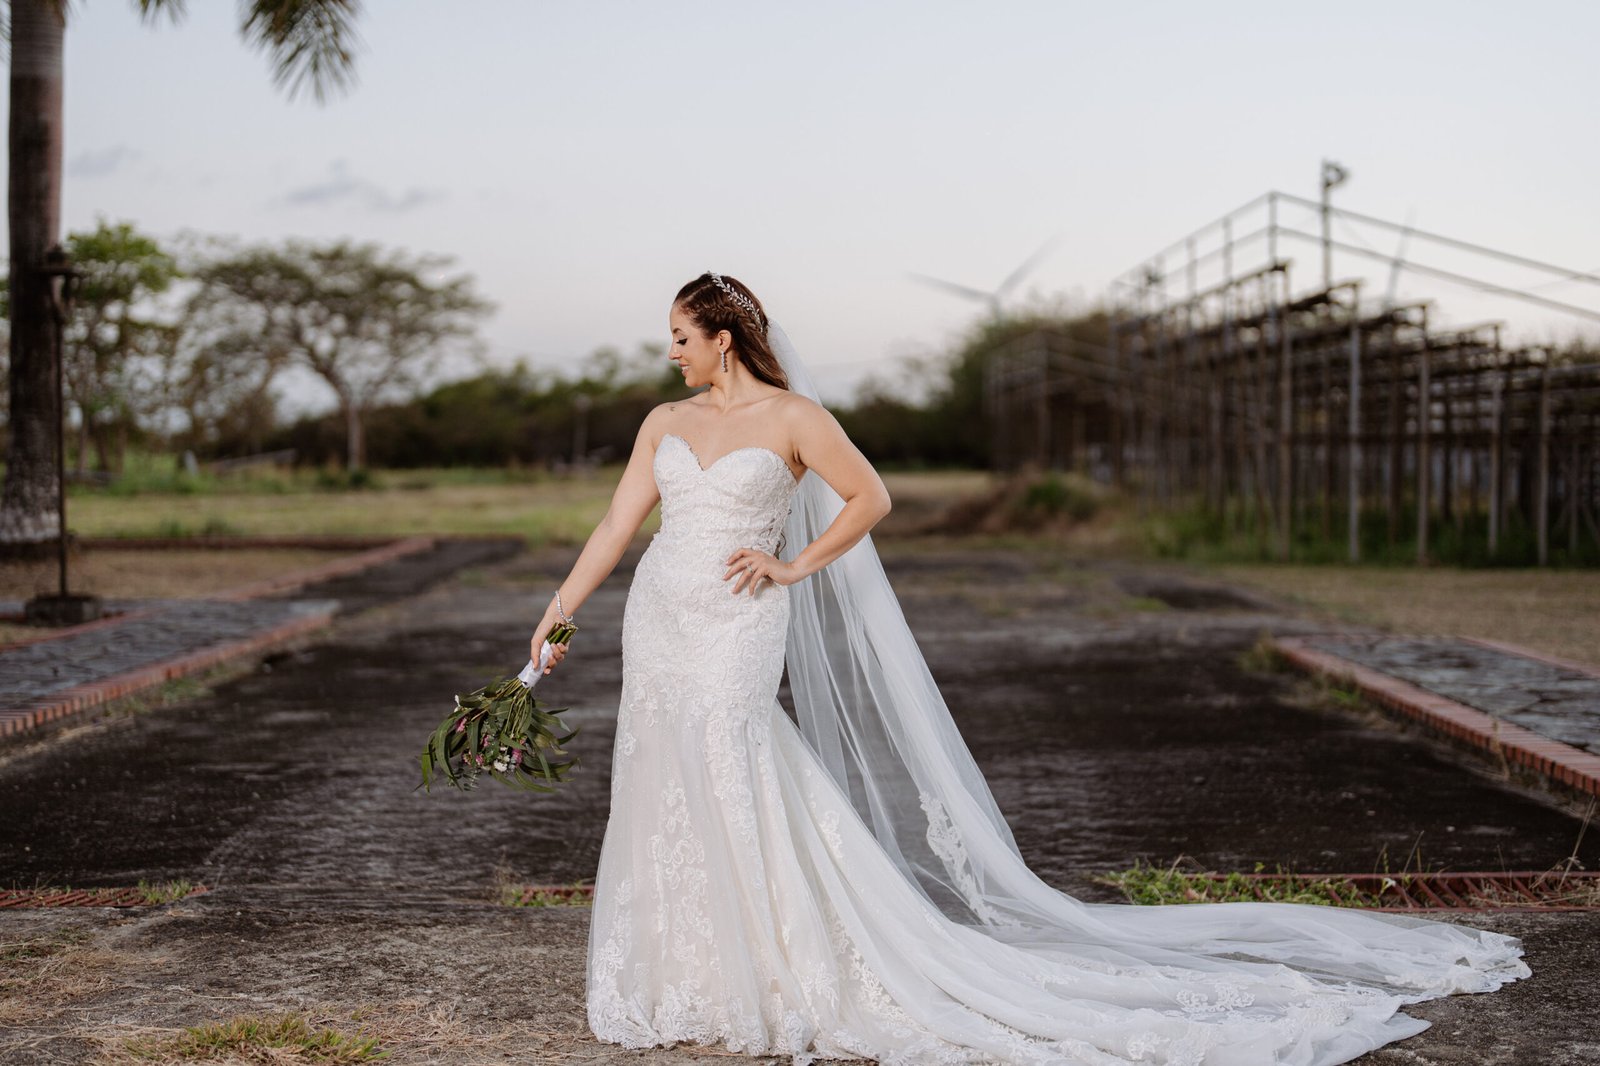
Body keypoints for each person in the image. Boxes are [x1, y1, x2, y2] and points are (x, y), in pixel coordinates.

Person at [528, 272, 1529, 1066]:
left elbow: (868, 499)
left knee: (734, 755)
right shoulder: (664, 423)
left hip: (742, 620)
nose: (669, 351)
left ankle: (774, 962)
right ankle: (692, 965)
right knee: (663, 771)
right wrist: (562, 609)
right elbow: (620, 523)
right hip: (662, 615)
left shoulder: (793, 418)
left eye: (679, 335)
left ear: (724, 338)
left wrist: (791, 562)